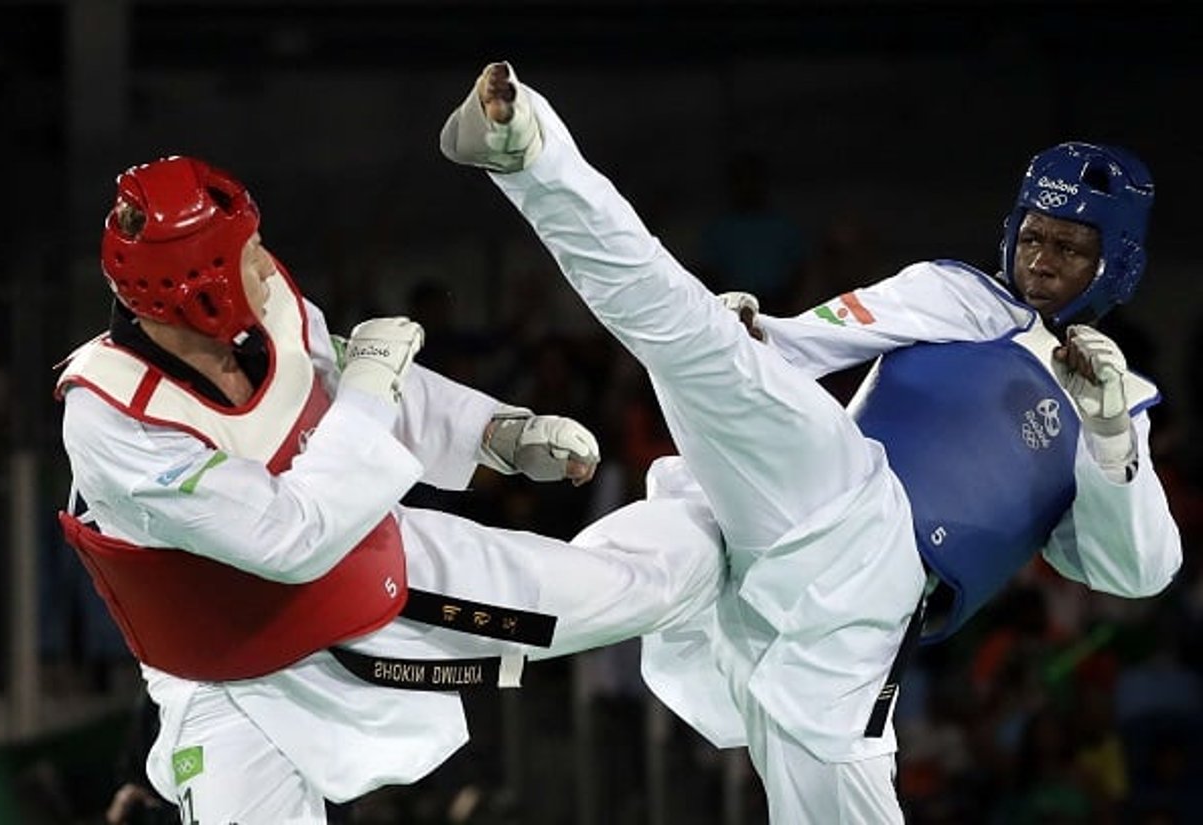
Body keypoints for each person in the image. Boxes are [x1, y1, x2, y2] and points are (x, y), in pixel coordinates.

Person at [439, 62, 1183, 822]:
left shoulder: (1121, 415)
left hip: (865, 613)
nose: (1039, 260)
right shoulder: (956, 292)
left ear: (1115, 263)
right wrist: (753, 331)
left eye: (1066, 247)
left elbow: (1138, 570)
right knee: (684, 349)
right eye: (1031, 237)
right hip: (837, 498)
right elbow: (804, 343)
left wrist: (1107, 432)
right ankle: (525, 150)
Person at [56, 155, 725, 823]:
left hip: (378, 582)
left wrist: (494, 431)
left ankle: (740, 511)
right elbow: (292, 534)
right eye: (248, 255)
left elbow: (343, 374)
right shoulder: (116, 418)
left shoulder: (267, 314)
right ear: (200, 287)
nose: (265, 267)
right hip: (232, 681)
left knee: (634, 589)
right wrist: (372, 389)